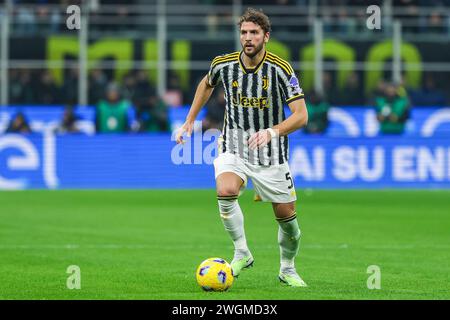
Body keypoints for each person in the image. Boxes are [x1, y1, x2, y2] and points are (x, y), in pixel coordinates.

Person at [176, 8, 309, 287]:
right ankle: (242, 252)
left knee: (288, 221)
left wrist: (272, 132)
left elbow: (301, 115)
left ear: (266, 36)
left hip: (271, 154)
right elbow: (206, 83)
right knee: (225, 190)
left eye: (254, 33)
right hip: (233, 145)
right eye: (244, 33)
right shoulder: (223, 64)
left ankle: (287, 268)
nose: (248, 38)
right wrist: (189, 121)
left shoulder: (281, 70)